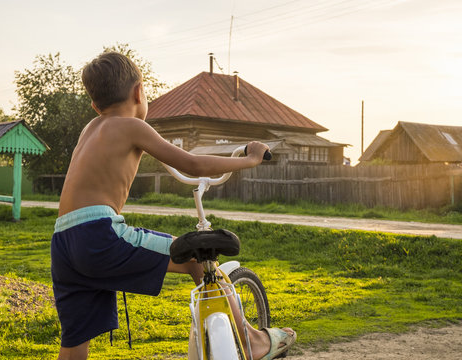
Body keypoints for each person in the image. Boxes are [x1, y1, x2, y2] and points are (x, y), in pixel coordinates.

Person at [51, 51, 296, 360]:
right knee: (196, 259)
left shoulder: (90, 130)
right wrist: (248, 159)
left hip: (62, 241)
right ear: (139, 91)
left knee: (75, 342)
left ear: (94, 104)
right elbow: (191, 163)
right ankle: (252, 340)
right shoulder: (130, 126)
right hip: (98, 234)